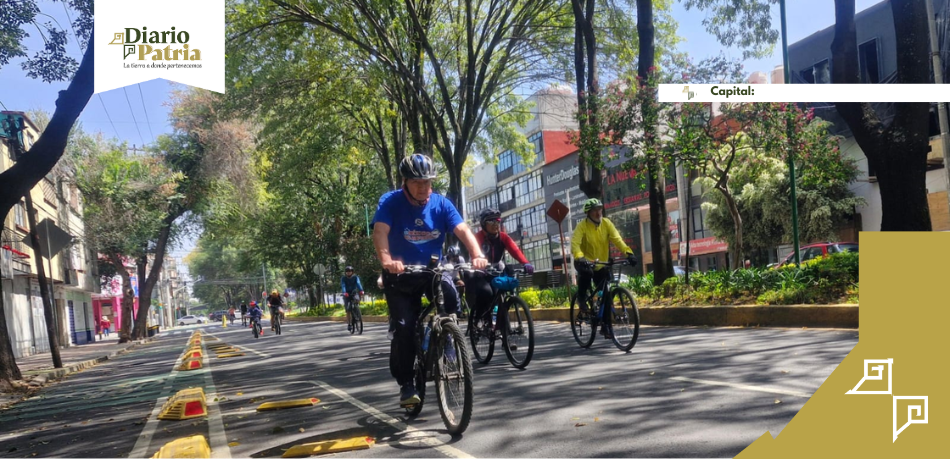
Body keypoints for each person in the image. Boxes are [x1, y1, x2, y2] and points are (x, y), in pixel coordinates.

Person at [372, 153, 488, 407]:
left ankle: (448, 337)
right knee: (404, 327)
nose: (423, 187)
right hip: (400, 275)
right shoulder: (390, 202)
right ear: (405, 182)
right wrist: (387, 261)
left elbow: (462, 230)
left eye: (427, 182)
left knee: (448, 290)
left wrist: (477, 254)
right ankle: (407, 384)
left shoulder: (441, 204)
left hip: (430, 271)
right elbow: (380, 231)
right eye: (417, 182)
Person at [570, 198, 638, 335]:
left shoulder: (606, 223)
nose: (598, 212)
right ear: (588, 213)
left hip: (601, 264)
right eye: (594, 210)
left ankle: (606, 326)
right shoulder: (582, 226)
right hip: (584, 261)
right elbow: (575, 243)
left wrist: (629, 253)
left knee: (607, 295)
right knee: (587, 273)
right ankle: (582, 298)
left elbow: (617, 239)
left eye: (599, 209)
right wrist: (579, 256)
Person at [465, 207, 534, 324]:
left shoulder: (503, 237)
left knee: (499, 293)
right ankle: (478, 319)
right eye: (491, 221)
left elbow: (515, 250)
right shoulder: (477, 238)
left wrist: (526, 263)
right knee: (487, 292)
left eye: (497, 221)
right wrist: (478, 264)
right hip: (480, 273)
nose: (495, 224)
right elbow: (472, 254)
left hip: (496, 272)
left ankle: (502, 327)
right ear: (483, 224)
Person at [341, 266, 364, 332]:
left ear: (352, 272)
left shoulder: (355, 277)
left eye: (350, 271)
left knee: (357, 300)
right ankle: (349, 324)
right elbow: (343, 285)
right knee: (348, 309)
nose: (348, 273)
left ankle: (357, 312)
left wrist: (361, 290)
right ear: (345, 273)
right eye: (347, 271)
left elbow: (358, 283)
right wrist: (344, 292)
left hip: (354, 292)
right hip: (346, 294)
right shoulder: (343, 278)